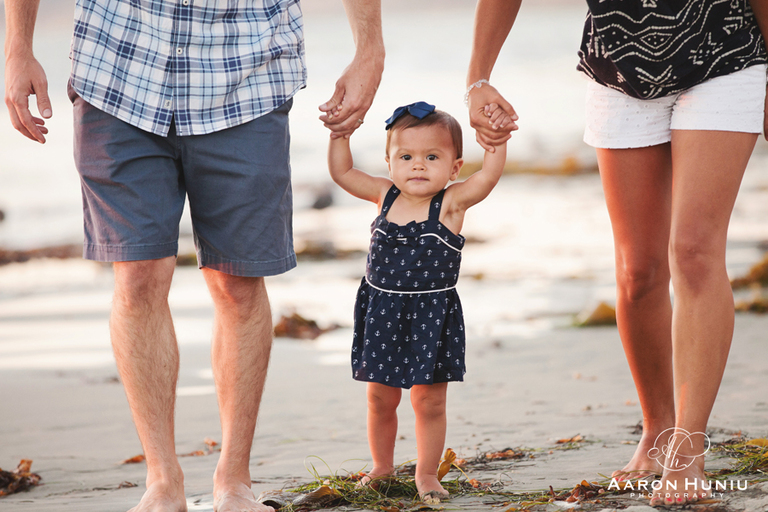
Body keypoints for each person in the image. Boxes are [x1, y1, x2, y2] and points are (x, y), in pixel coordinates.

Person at [4, 1, 384, 511]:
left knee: (238, 282)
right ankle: (162, 481)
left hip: (246, 75)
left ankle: (234, 481)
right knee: (137, 276)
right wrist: (18, 47)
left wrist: (369, 48)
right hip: (118, 70)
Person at [465, 0, 768, 506]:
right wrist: (478, 78)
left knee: (694, 251)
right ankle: (657, 427)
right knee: (638, 271)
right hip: (618, 68)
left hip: (725, 52)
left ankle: (687, 451)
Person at [326, 101, 508, 502]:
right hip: (383, 312)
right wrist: (340, 134)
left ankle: (426, 473)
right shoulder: (384, 195)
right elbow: (342, 172)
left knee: (429, 401)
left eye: (432, 157)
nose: (418, 166)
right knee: (380, 397)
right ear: (389, 163)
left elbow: (489, 176)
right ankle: (382, 466)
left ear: (455, 168)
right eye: (406, 157)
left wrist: (496, 139)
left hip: (431, 315)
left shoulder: (452, 203)